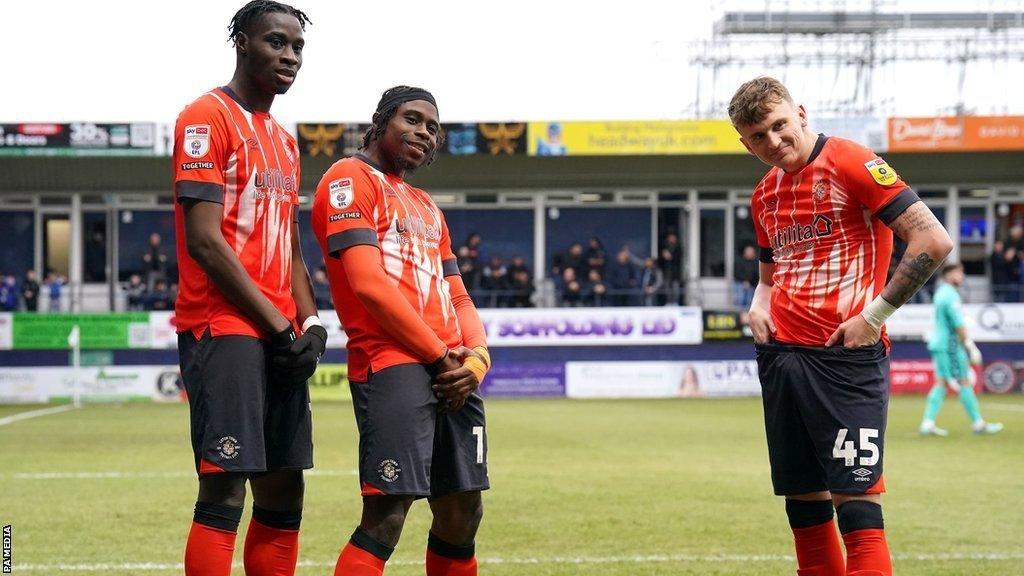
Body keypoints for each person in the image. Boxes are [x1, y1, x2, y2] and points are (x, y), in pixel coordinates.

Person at [730, 76, 953, 576]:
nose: (774, 142)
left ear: (801, 114)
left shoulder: (851, 162)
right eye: (758, 137)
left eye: (779, 125)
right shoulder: (764, 194)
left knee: (857, 510)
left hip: (844, 360)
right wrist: (758, 301)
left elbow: (932, 241)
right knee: (804, 510)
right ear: (745, 144)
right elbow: (770, 275)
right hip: (782, 357)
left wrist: (872, 318)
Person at [311, 86, 491, 576]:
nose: (423, 133)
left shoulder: (428, 206)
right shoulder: (349, 179)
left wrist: (476, 359)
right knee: (388, 515)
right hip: (394, 364)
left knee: (463, 513)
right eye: (412, 120)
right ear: (381, 121)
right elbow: (368, 284)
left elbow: (458, 294)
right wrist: (439, 356)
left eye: (433, 128)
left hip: (452, 369)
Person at [171, 3, 323, 576]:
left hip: (281, 333)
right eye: (276, 42)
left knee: (284, 494)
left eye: (297, 48)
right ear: (241, 41)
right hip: (225, 326)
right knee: (225, 490)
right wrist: (281, 325)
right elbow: (207, 243)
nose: (289, 56)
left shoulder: (285, 141)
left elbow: (287, 246)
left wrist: (309, 323)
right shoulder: (206, 117)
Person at [920, 263, 1003, 436]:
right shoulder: (950, 296)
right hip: (949, 345)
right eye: (958, 273)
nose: (961, 276)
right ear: (948, 275)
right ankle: (978, 424)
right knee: (963, 380)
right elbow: (959, 324)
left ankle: (928, 423)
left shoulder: (941, 293)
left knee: (942, 382)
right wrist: (970, 346)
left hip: (941, 343)